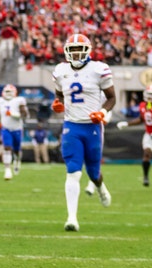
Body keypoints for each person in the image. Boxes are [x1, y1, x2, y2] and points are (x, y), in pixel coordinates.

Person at [52, 33, 116, 232]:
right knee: (73, 171)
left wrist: (103, 112)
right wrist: (58, 104)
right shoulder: (61, 71)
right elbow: (59, 95)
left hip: (92, 126)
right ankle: (72, 218)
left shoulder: (99, 69)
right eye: (73, 50)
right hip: (72, 126)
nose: (77, 54)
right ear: (67, 52)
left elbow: (112, 97)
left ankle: (100, 187)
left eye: (80, 50)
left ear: (87, 51)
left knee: (93, 172)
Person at [116, 85, 152, 186]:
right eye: (148, 94)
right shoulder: (143, 105)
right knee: (147, 153)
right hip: (149, 134)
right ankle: (146, 177)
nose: (150, 97)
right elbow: (141, 119)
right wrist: (127, 124)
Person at [0, 84, 28, 180]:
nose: (8, 94)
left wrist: (15, 114)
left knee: (16, 150)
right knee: (7, 147)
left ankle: (16, 160)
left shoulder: (19, 100)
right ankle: (7, 170)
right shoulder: (0, 101)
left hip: (17, 129)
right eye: (6, 92)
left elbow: (25, 114)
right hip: (6, 128)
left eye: (10, 92)